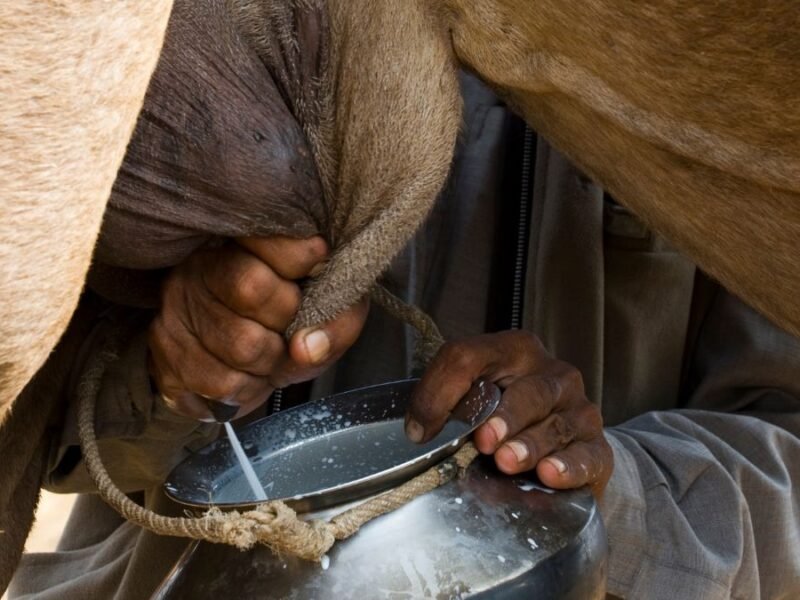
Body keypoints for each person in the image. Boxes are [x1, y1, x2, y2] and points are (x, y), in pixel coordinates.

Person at [4, 75, 800, 600]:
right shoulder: (213, 31)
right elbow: (48, 412)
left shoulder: (741, 60)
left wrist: (615, 492)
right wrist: (171, 367)